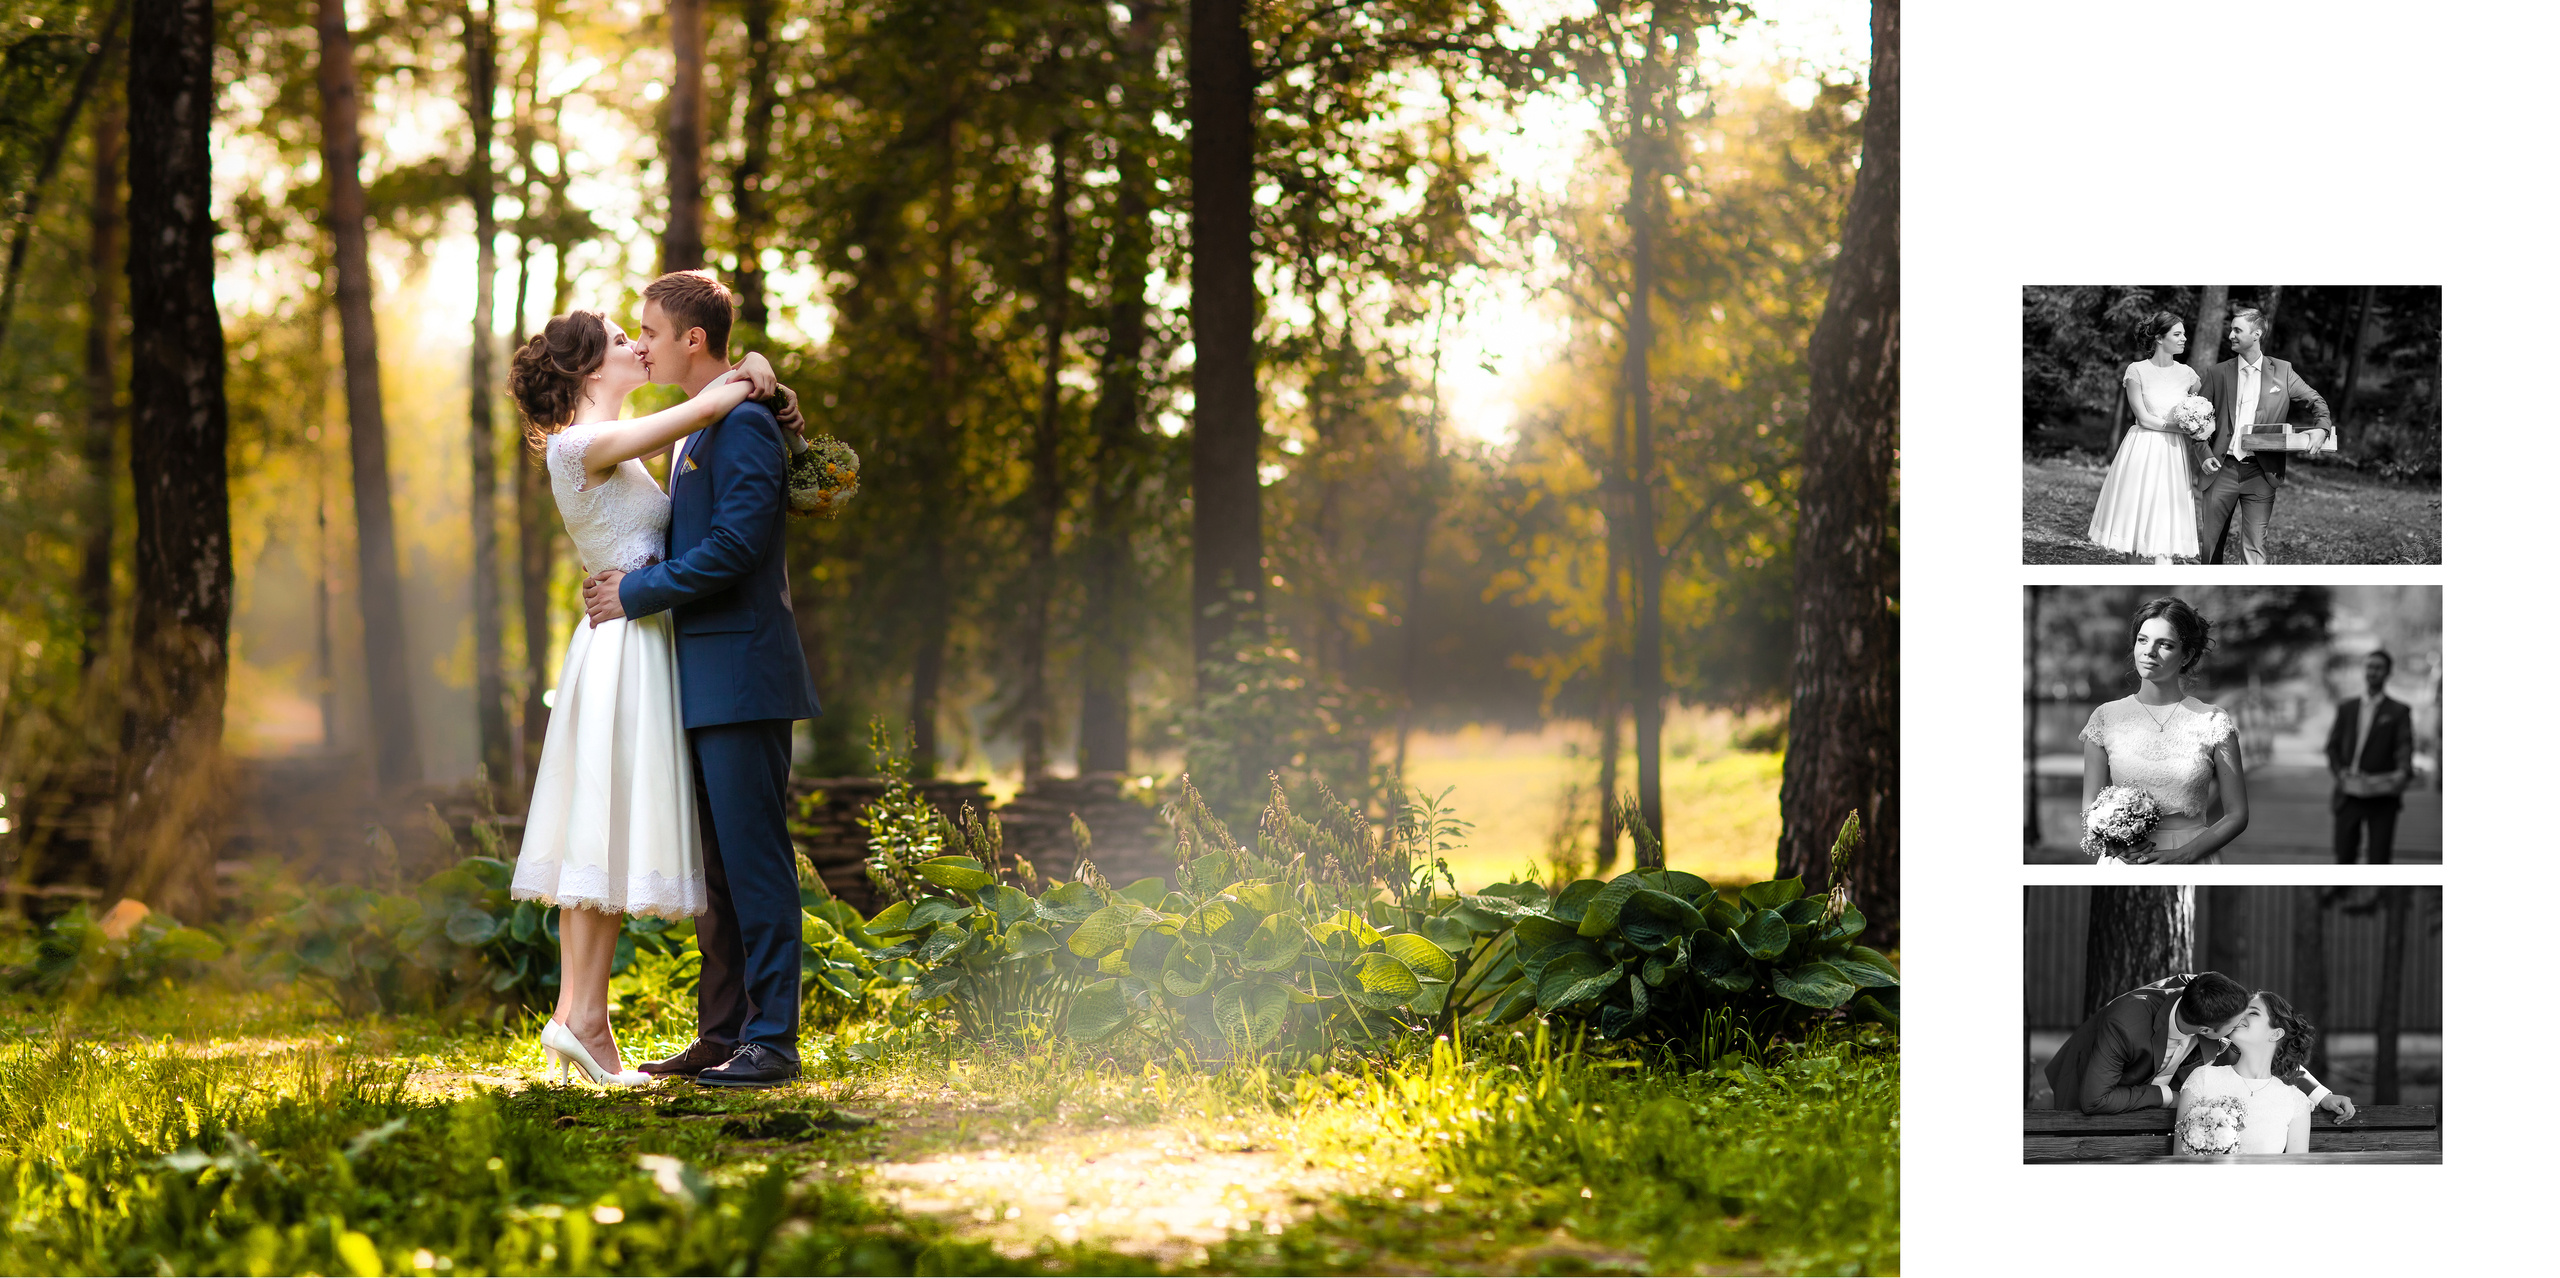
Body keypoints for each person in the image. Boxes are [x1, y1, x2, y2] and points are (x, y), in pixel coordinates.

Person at [503, 308, 787, 1087]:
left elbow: (701, 422)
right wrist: (751, 369)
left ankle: (579, 1015)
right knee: (600, 828)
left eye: (643, 332)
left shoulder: (615, 444)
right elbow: (700, 409)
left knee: (602, 828)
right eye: (621, 339)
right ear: (593, 371)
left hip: (639, 639)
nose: (637, 343)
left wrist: (755, 362)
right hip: (627, 645)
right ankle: (582, 1018)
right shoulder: (583, 444)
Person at [582, 270, 824, 1091]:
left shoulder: (746, 425)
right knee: (714, 872)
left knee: (755, 864)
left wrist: (633, 595)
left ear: (692, 339)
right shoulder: (701, 424)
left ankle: (773, 1040)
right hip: (698, 677)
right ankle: (721, 1034)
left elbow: (737, 548)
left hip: (745, 674)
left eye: (649, 331)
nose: (640, 344)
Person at [2044, 971, 2352, 1124]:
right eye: (2237, 1023)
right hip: (2090, 1088)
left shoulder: (2213, 998)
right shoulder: (2126, 1023)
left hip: (2149, 1111)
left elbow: (2267, 1052)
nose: (2241, 1025)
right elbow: (2095, 1099)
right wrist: (2170, 1097)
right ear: (2207, 1030)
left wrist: (2321, 1095)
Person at [2078, 597, 2247, 864]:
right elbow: (2089, 811)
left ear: (2187, 655)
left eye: (2165, 644)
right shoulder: (2104, 718)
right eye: (2142, 640)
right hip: (2126, 863)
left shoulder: (2213, 721)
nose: (2149, 651)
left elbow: (2237, 815)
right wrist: (2116, 847)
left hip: (2192, 856)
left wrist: (2184, 854)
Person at [2196, 308, 2332, 565]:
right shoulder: (2216, 373)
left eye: (2237, 330)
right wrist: (2203, 455)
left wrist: (2322, 428)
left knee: (2255, 551)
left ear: (2256, 334)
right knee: (2211, 550)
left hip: (2261, 472)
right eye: (2231, 329)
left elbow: (2316, 400)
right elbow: (2197, 419)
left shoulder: (2282, 371)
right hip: (2220, 470)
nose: (2230, 336)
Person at [2084, 311, 2203, 565]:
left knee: (2167, 512)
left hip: (2173, 452)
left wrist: (2200, 424)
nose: (2184, 339)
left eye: (2184, 334)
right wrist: (2183, 428)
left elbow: (2200, 409)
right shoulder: (2136, 371)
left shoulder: (2189, 375)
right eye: (2177, 334)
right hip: (2142, 447)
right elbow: (2143, 418)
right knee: (2137, 509)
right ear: (2160, 338)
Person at [2171, 991, 2320, 1155]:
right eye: (2241, 1012)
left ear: (2275, 1034)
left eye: (2253, 1013)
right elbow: (2181, 1157)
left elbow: (2296, 1171)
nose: (2240, 1017)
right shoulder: (2203, 1078)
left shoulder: (2295, 1102)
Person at [2327, 649, 2415, 864]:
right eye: (2369, 666)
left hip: (2382, 793)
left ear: (2388, 673)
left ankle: (2377, 898)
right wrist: (2340, 772)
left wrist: (2403, 771)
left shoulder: (2399, 711)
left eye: (2378, 667)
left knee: (2379, 859)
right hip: (2348, 793)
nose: (2372, 672)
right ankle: (2343, 896)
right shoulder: (2346, 708)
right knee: (2344, 856)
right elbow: (2332, 746)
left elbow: (2404, 746)